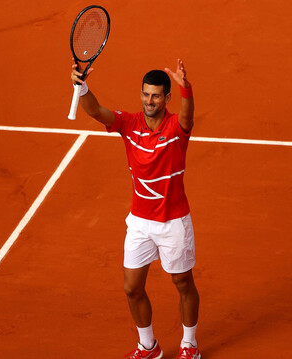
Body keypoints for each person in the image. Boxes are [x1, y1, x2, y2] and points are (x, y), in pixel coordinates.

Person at [70, 59, 201, 359]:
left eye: (155, 96)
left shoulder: (177, 128)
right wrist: (82, 86)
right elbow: (94, 110)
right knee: (132, 288)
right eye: (145, 94)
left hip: (173, 222)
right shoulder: (128, 124)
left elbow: (187, 114)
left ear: (167, 98)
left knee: (183, 282)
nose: (149, 101)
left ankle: (189, 345)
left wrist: (187, 89)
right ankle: (149, 347)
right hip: (140, 222)